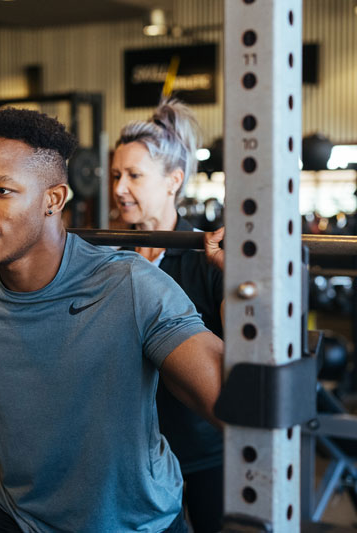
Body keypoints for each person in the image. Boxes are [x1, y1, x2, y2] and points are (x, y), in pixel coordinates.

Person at [0, 108, 225, 532]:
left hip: (132, 521)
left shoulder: (128, 282)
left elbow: (225, 400)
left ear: (53, 199)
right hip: (18, 514)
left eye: (2, 191)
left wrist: (244, 288)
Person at [112, 98, 225, 533]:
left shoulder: (206, 257)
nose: (120, 188)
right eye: (117, 175)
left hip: (202, 446)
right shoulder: (110, 256)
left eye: (134, 176)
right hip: (132, 448)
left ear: (173, 181)